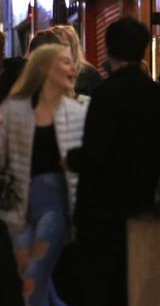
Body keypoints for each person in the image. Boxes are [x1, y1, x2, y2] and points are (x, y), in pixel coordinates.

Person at [68, 18, 160, 306]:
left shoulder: (106, 95)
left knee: (105, 287)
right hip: (145, 204)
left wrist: (70, 159)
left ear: (109, 49)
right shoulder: (154, 94)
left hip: (103, 210)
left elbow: (95, 153)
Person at [0, 44, 85, 306]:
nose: (72, 68)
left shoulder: (75, 112)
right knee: (33, 279)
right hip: (19, 204)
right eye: (65, 62)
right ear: (45, 69)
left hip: (56, 204)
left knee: (34, 277)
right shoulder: (14, 110)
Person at [50, 25, 102, 96]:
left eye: (63, 45)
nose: (57, 49)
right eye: (53, 45)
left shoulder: (90, 75)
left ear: (73, 47)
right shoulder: (45, 75)